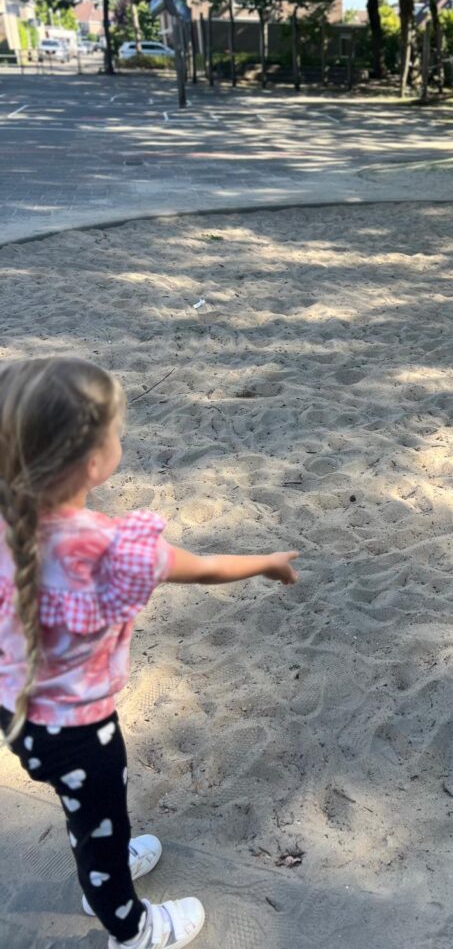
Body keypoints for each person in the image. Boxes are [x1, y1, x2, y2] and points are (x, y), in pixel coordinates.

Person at [0, 357, 299, 949]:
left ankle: (97, 847)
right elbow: (209, 568)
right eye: (115, 432)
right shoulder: (115, 550)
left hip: (15, 712)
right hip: (79, 732)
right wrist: (268, 562)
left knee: (80, 804)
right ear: (94, 463)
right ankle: (128, 925)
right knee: (98, 821)